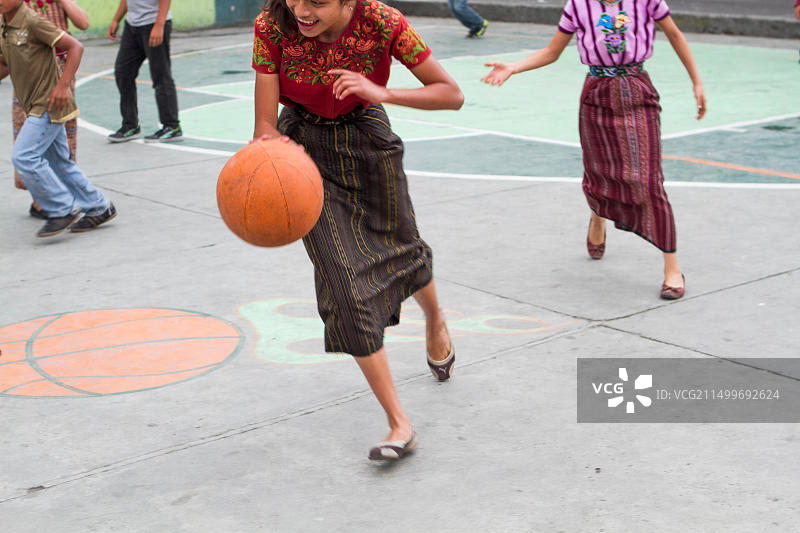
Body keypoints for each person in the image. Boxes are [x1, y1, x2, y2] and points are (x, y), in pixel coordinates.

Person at [252, 0, 464, 460]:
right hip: (302, 155)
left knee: (404, 251)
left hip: (368, 141)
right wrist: (267, 153)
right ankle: (398, 423)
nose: (301, 10)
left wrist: (382, 92)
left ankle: (435, 319)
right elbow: (265, 125)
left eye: (318, 2)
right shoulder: (272, 24)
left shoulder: (383, 22)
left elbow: (451, 93)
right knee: (344, 286)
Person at [482, 0, 706, 300]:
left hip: (637, 89)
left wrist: (696, 82)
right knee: (598, 172)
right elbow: (552, 52)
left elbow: (676, 35)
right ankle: (598, 215)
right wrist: (513, 67)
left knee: (650, 181)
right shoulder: (578, 5)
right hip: (596, 93)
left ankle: (672, 268)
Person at [1, 0, 116, 237]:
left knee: (24, 156)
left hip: (49, 103)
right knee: (59, 163)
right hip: (31, 102)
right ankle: (99, 206)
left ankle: (62, 208)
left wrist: (63, 86)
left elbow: (75, 46)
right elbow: (5, 63)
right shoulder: (4, 24)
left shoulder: (32, 20)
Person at [12, 0, 88, 220]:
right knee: (27, 133)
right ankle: (42, 200)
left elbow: (82, 22)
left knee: (61, 136)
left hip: (60, 74)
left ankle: (70, 198)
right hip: (28, 74)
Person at [106, 0, 182, 143]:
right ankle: (130, 125)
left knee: (161, 75)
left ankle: (172, 127)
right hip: (132, 26)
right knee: (123, 73)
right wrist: (116, 20)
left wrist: (159, 25)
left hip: (153, 24)